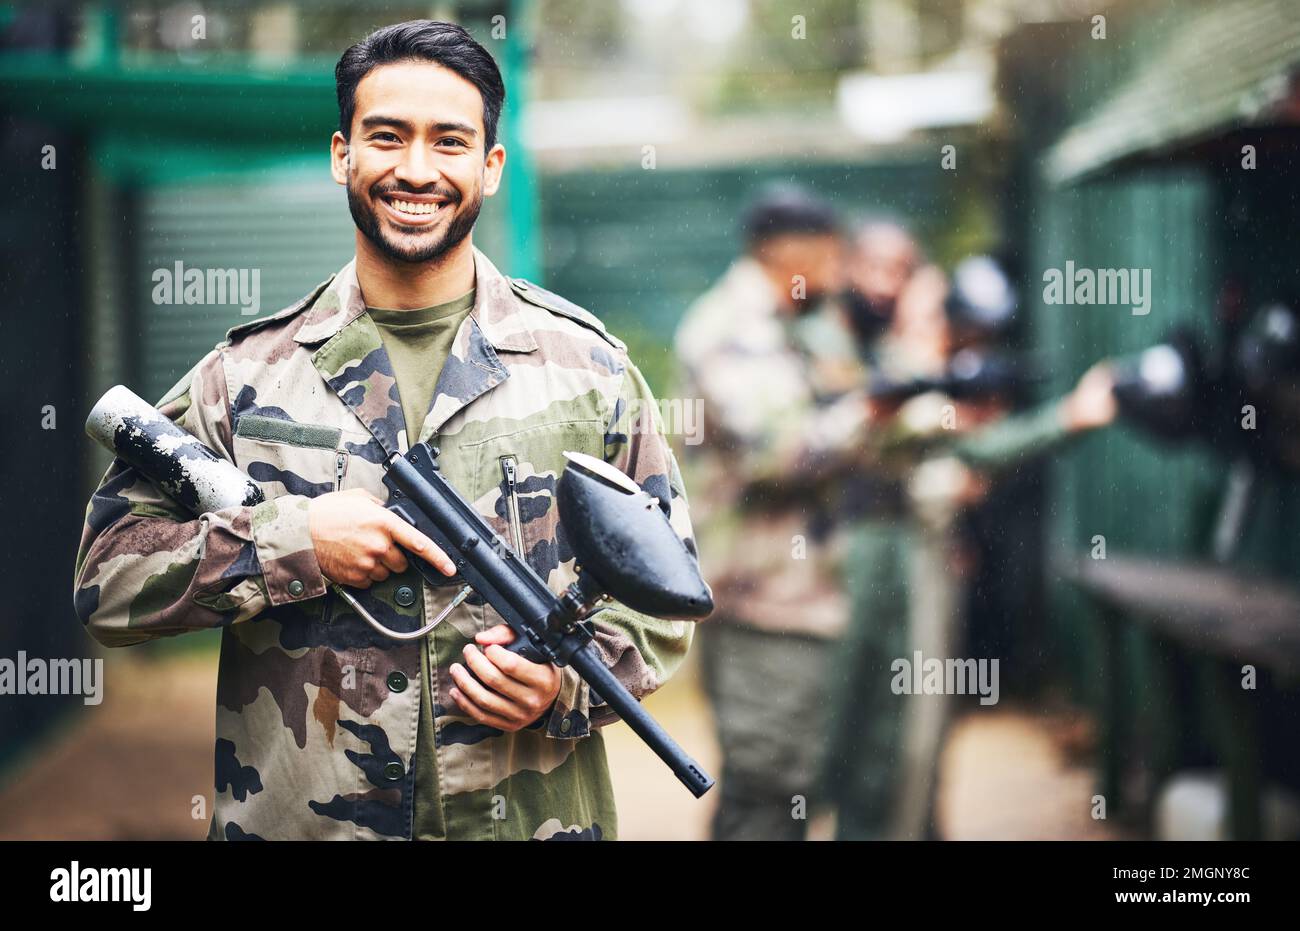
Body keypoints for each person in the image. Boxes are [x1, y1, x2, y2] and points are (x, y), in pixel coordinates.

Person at [72, 20, 702, 841]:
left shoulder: (589, 371)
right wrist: (290, 542)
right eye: (386, 136)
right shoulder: (245, 376)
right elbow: (104, 586)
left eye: (449, 141)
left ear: (491, 165)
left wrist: (560, 690)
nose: (415, 169)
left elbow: (667, 592)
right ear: (343, 154)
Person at [816, 245, 1117, 840]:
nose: (942, 332)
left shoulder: (916, 377)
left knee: (915, 742)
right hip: (877, 570)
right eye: (924, 315)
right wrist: (1068, 418)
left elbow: (961, 452)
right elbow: (959, 450)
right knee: (888, 740)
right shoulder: (880, 378)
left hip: (913, 564)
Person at [674, 186, 876, 840]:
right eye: (829, 253)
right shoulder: (733, 329)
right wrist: (872, 413)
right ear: (786, 252)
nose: (838, 270)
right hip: (758, 595)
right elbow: (777, 451)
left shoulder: (790, 326)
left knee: (793, 776)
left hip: (796, 591)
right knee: (769, 781)